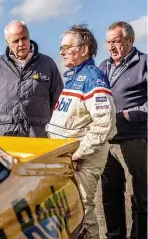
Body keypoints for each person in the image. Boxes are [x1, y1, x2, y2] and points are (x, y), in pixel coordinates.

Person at [45, 24, 117, 238]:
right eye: (61, 48)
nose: (62, 51)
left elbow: (104, 124)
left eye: (67, 47)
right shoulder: (73, 77)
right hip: (68, 157)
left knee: (82, 210)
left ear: (84, 50)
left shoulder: (93, 77)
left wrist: (78, 153)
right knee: (69, 210)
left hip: (82, 159)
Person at [99, 21, 147, 239]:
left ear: (130, 40)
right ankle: (115, 236)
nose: (111, 47)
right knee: (110, 194)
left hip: (134, 139)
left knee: (140, 196)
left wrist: (131, 114)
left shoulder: (144, 63)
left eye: (116, 41)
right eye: (108, 42)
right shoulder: (103, 66)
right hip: (107, 141)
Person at [0, 20, 63, 137]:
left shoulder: (48, 64)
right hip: (4, 134)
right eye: (15, 41)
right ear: (8, 43)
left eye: (24, 38)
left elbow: (57, 98)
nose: (21, 44)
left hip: (37, 135)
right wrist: (5, 119)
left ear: (29, 37)